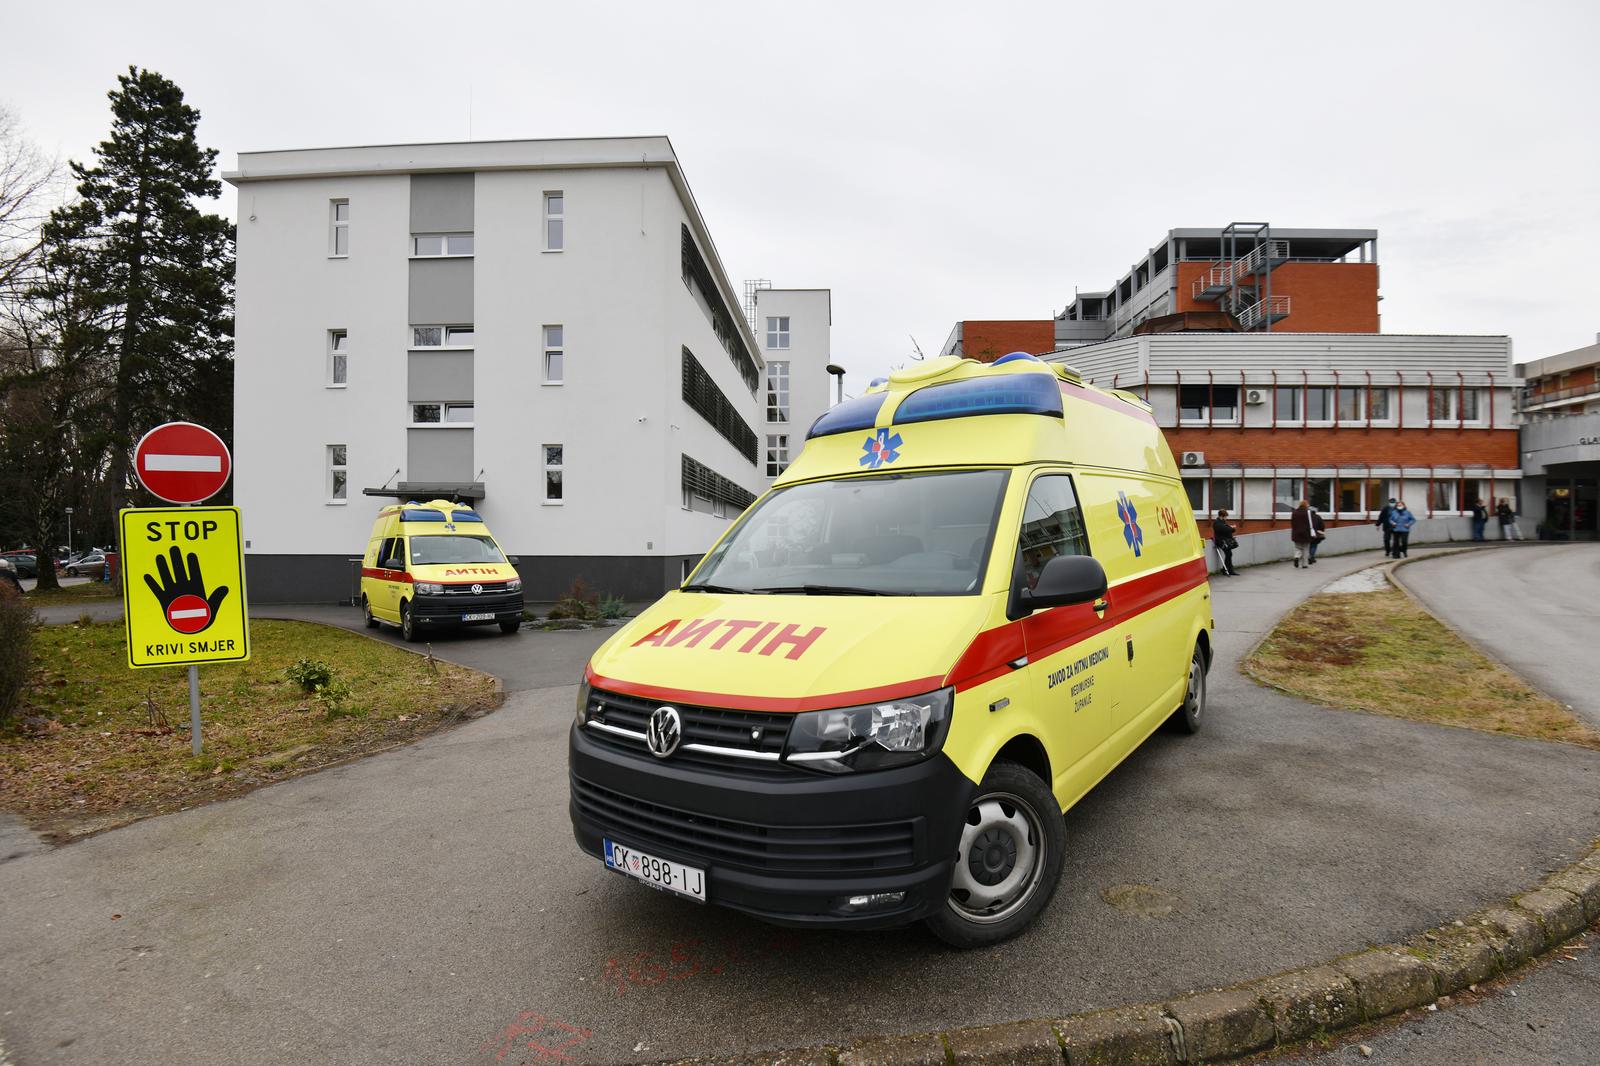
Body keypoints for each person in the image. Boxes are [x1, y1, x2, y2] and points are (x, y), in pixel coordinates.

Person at [1212, 509, 1240, 576]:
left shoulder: (1222, 522)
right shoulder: (1217, 523)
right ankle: (1227, 570)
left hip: (1225, 541)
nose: (1226, 518)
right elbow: (1226, 529)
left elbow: (1229, 529)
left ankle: (1226, 570)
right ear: (1222, 516)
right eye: (1225, 517)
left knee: (1229, 554)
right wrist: (1231, 527)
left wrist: (1231, 528)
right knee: (1228, 554)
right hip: (1222, 542)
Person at [1290, 499, 1314, 568]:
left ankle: (1296, 557)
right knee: (1305, 548)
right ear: (1306, 505)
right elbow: (1311, 523)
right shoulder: (1308, 512)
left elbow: (1292, 523)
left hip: (1296, 533)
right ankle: (1304, 564)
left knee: (1298, 547)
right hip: (1306, 533)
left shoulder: (1294, 512)